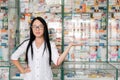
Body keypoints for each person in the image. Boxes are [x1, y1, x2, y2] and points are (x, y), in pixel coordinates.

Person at [11, 17, 76, 80]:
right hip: (30, 77)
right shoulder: (27, 43)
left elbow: (57, 62)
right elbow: (13, 57)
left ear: (45, 28)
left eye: (40, 26)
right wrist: (22, 70)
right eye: (34, 26)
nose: (37, 29)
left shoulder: (50, 44)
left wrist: (69, 46)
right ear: (31, 28)